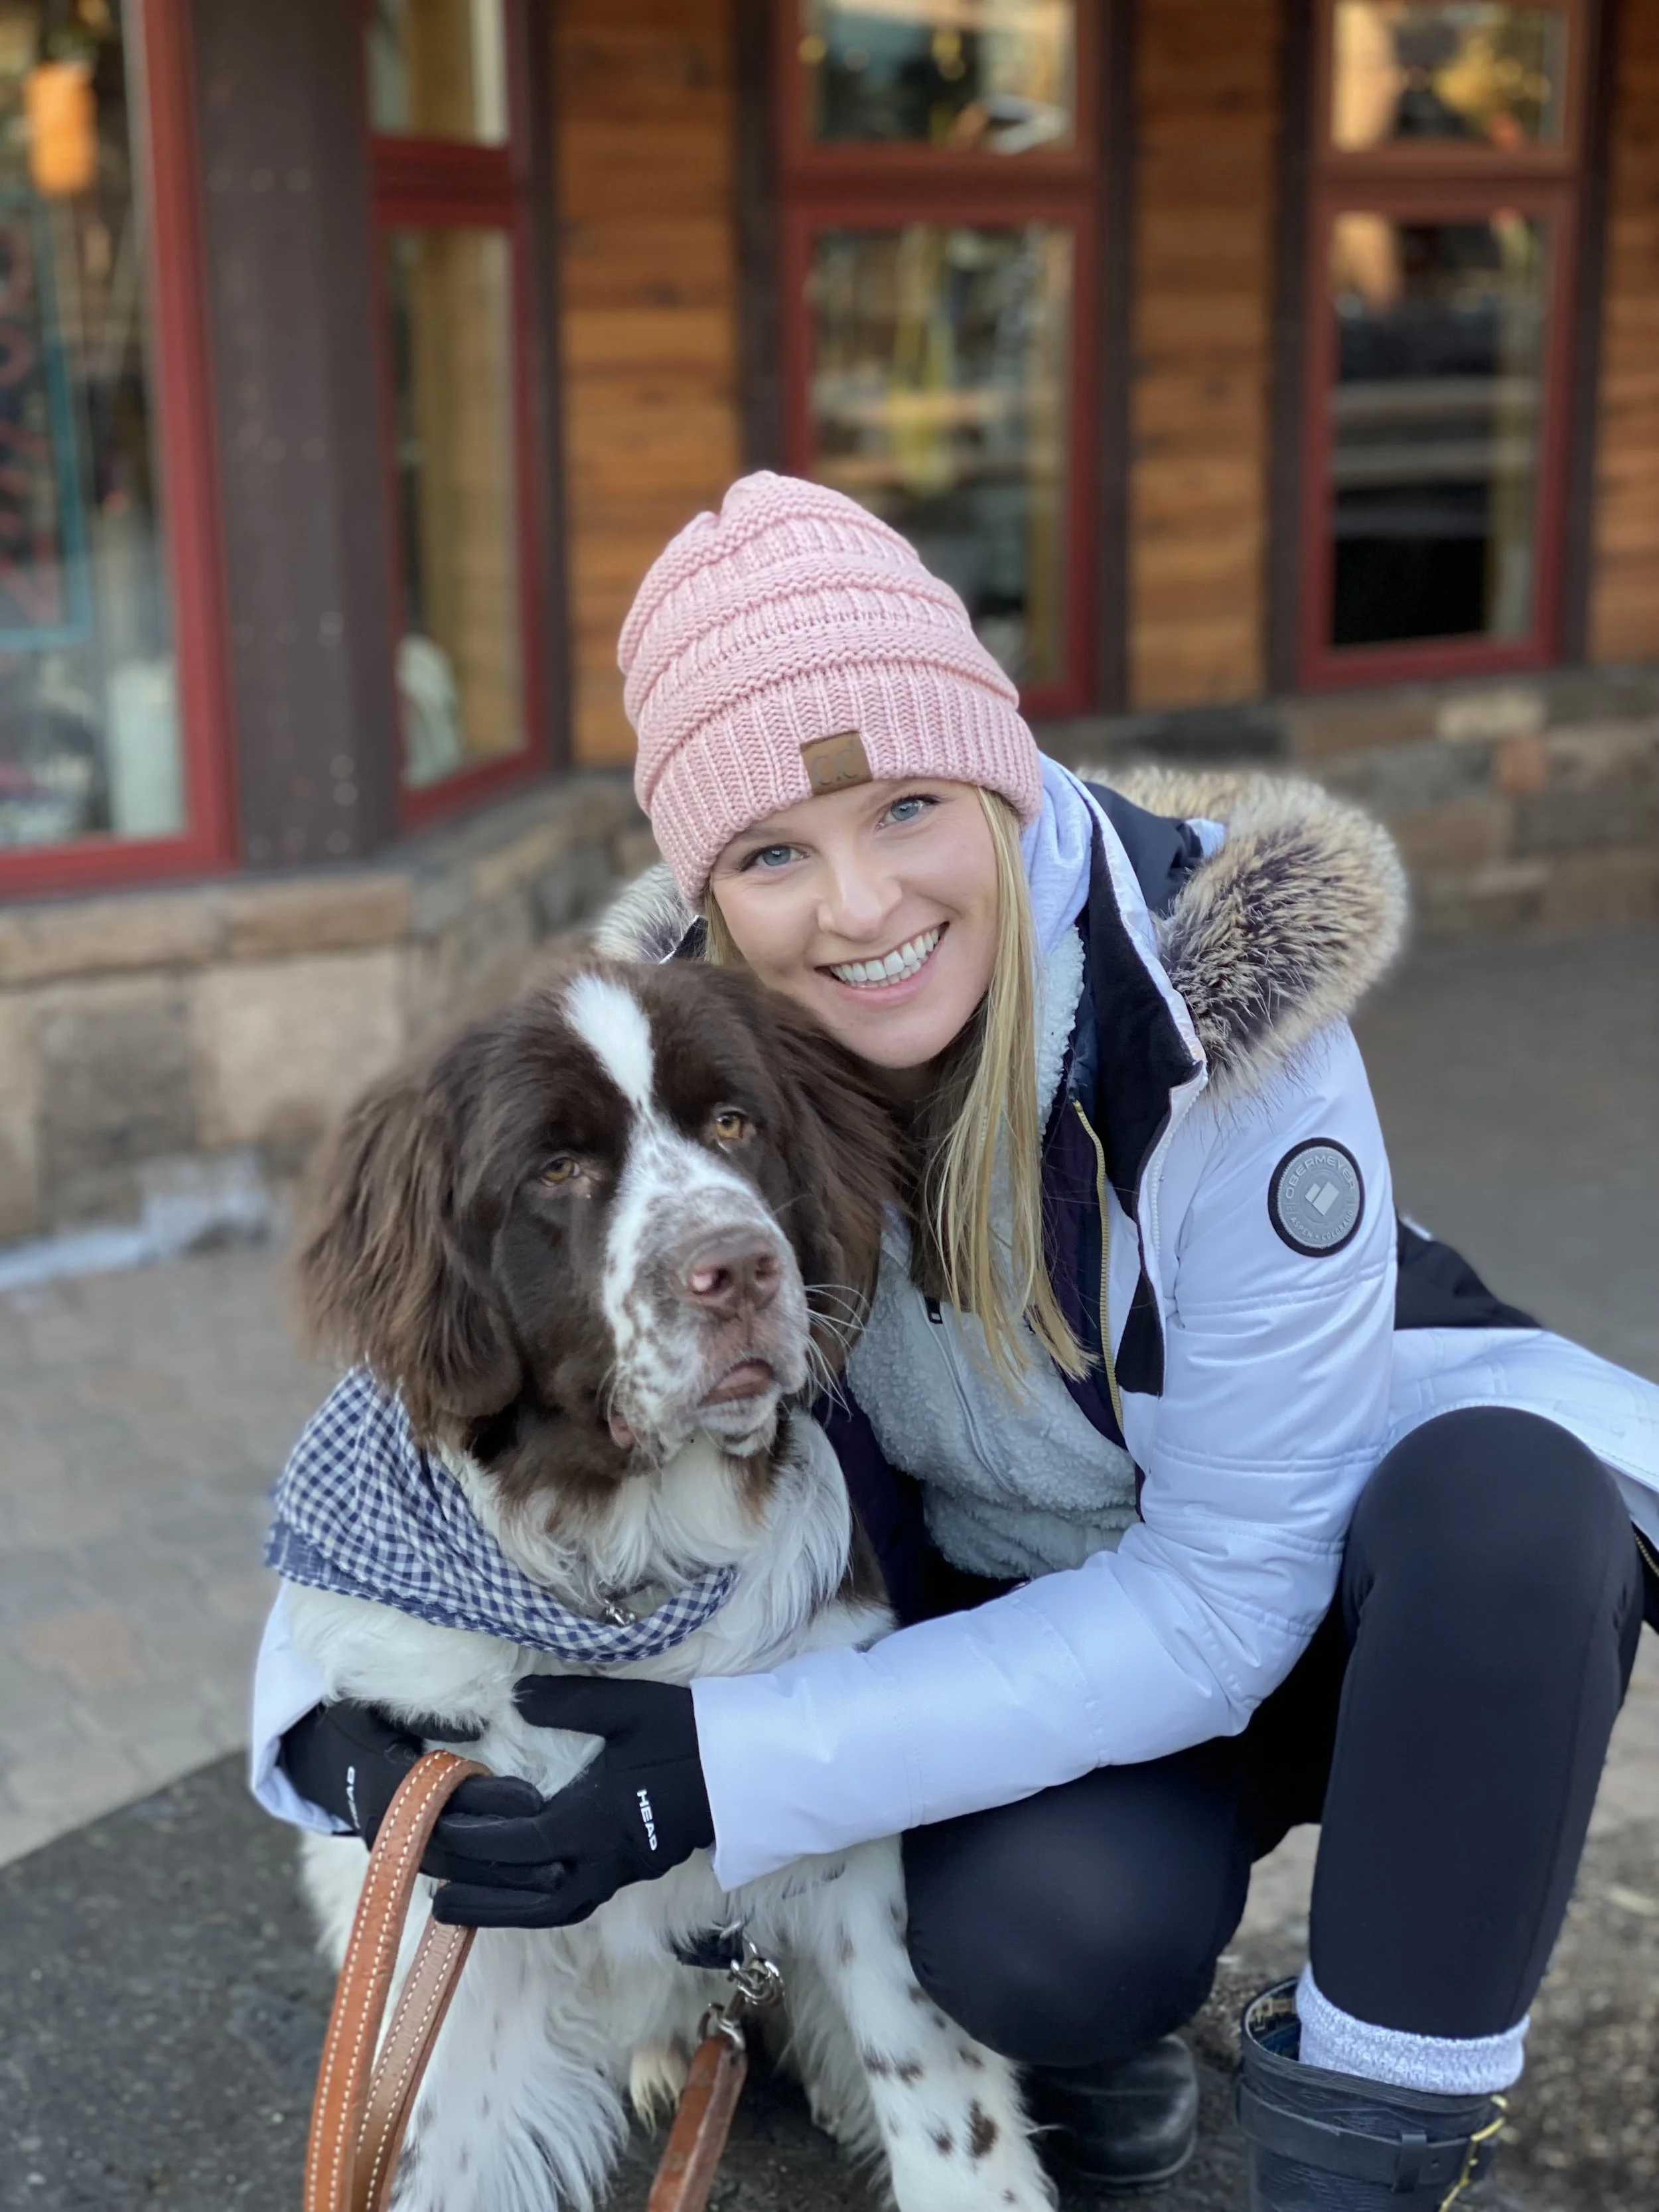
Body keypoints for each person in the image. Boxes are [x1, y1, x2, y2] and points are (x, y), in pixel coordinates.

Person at [255, 474, 1659, 2207]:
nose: (855, 904)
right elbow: (413, 1419)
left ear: (994, 782)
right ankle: (1097, 2049)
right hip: (1007, 1611)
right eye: (775, 849)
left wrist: (727, 1770)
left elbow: (1230, 1594)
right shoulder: (693, 1043)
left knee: (1516, 1512)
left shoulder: (1224, 1040)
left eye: (906, 804)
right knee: (1054, 1938)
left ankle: (1365, 2150)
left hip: (1294, 1580)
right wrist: (320, 1728)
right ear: (710, 887)